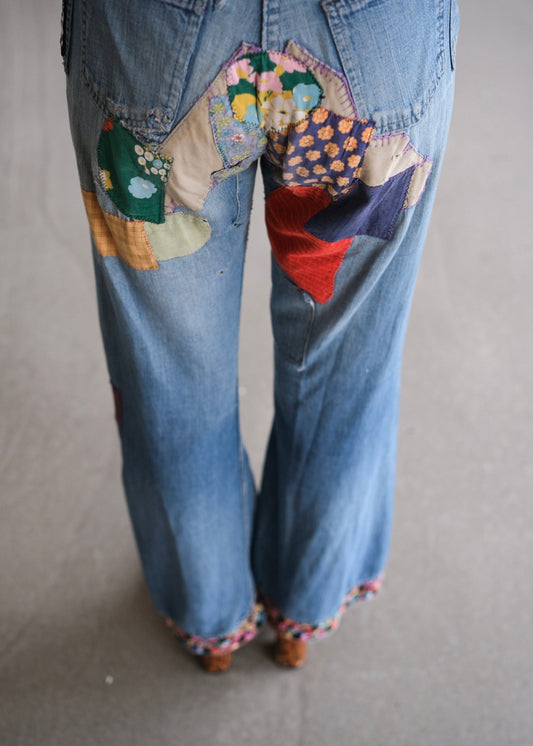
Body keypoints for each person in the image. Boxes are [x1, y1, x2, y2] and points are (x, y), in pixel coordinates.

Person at [62, 0, 459, 673]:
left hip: (157, 36)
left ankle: (208, 612)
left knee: (171, 374)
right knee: (345, 366)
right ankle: (305, 605)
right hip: (373, 37)